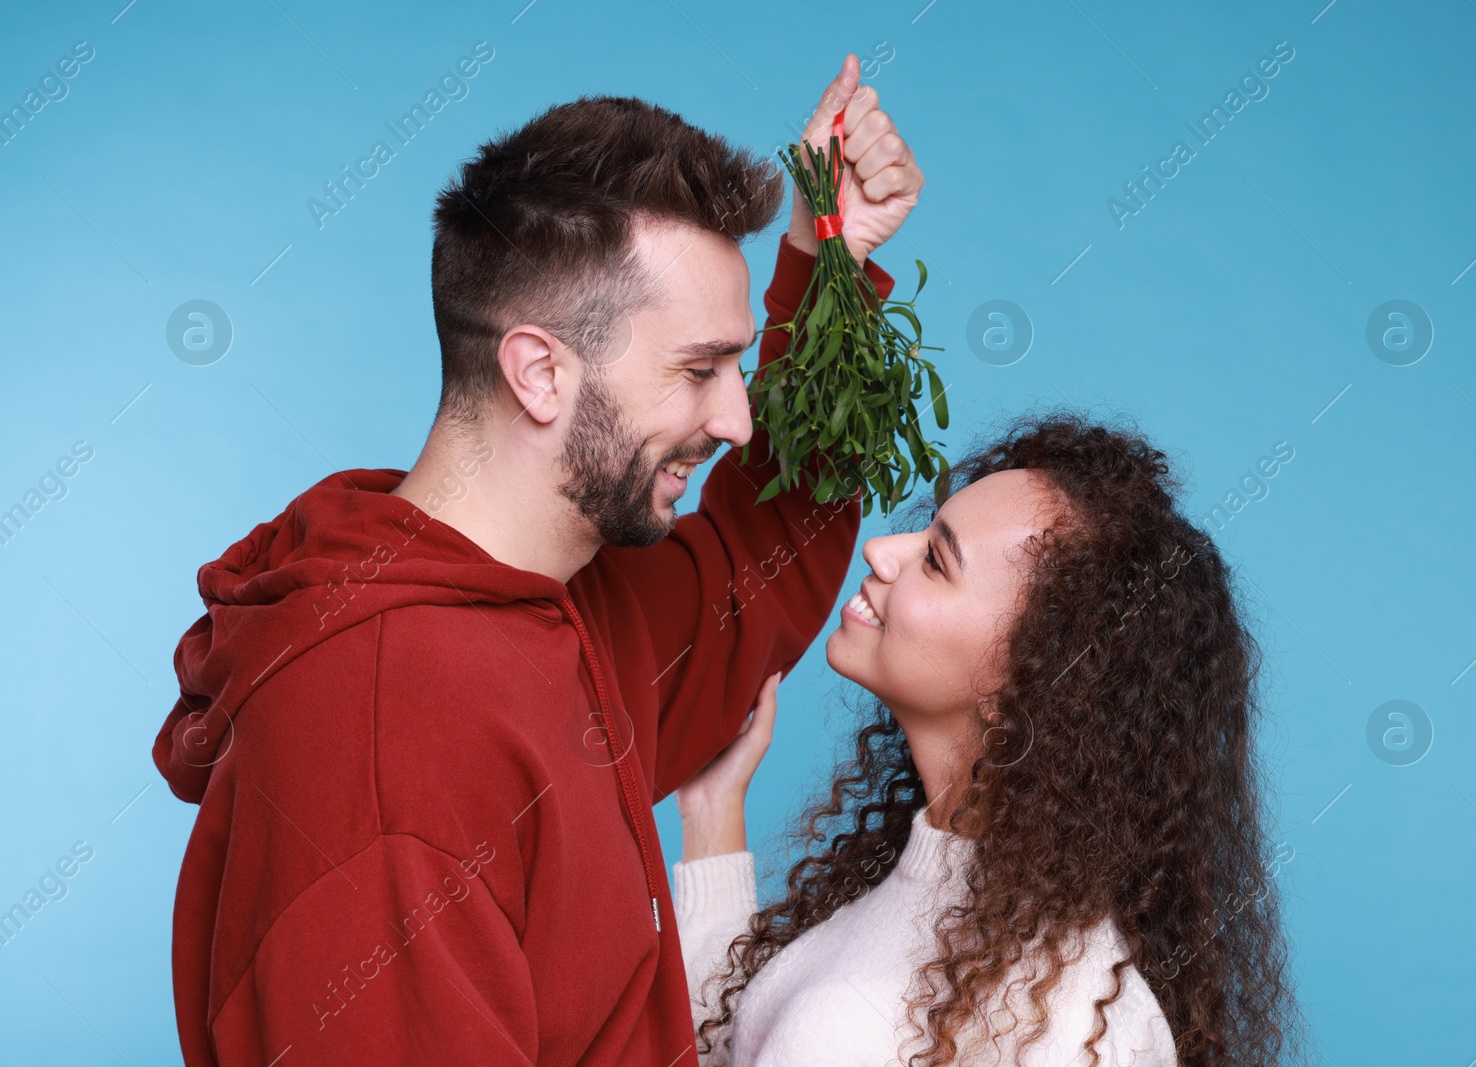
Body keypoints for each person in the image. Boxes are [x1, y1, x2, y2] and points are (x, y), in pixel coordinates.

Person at [150, 55, 923, 1064]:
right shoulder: (388, 743)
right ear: (540, 370)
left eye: (735, 367)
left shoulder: (564, 598)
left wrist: (827, 260)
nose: (737, 418)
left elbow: (761, 558)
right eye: (697, 370)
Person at [671, 412, 1303, 1066]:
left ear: (1029, 682)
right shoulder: (893, 898)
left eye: (936, 560)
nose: (880, 551)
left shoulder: (1079, 1024)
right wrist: (713, 809)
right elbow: (725, 1047)